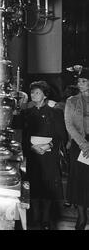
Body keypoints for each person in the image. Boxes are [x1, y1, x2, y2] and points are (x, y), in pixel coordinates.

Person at [21, 81, 67, 230]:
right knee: (34, 186)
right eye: (33, 92)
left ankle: (46, 219)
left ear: (45, 95)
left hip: (49, 155)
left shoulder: (55, 112)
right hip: (34, 155)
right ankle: (35, 218)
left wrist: (48, 146)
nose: (34, 95)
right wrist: (31, 147)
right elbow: (23, 136)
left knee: (48, 187)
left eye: (37, 92)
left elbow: (60, 135)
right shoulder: (27, 113)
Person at [64, 67, 89, 230]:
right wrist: (83, 144)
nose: (80, 84)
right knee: (80, 182)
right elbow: (69, 124)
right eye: (79, 81)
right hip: (80, 145)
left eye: (84, 81)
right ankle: (81, 216)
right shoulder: (71, 101)